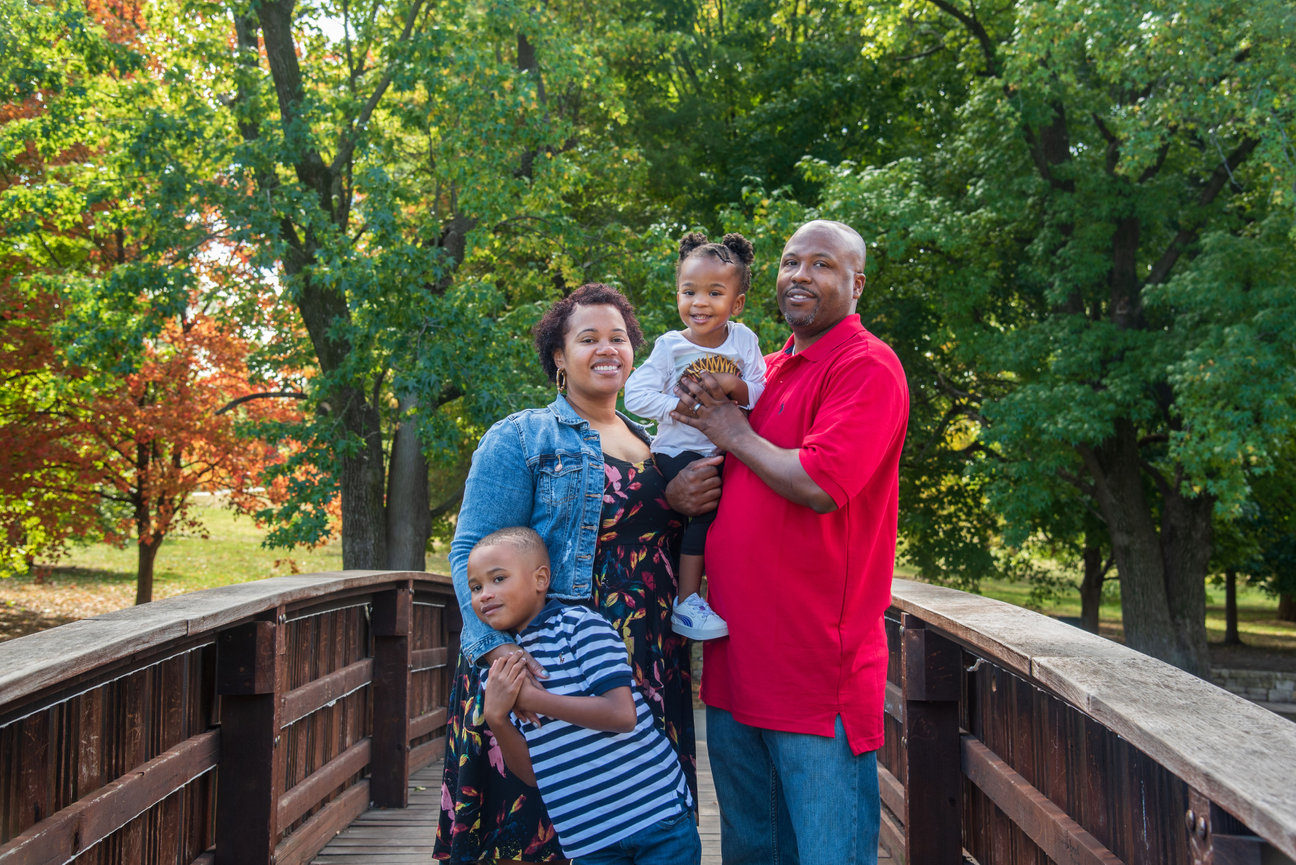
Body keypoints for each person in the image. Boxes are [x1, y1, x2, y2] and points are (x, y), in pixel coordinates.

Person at [670, 219, 909, 865]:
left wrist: (731, 430)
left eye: (823, 265)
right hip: (735, 670)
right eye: (790, 261)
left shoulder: (867, 366)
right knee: (752, 854)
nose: (801, 274)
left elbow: (819, 483)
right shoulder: (764, 371)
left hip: (814, 681)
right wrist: (680, 490)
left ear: (857, 284)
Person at [435, 283, 695, 864]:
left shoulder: (655, 443)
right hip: (550, 664)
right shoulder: (523, 437)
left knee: (647, 823)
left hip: (644, 661)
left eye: (619, 338)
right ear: (558, 355)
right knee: (544, 829)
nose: (608, 349)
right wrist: (499, 657)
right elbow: (471, 553)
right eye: (588, 338)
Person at [468, 526, 701, 865]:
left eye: (498, 579)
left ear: (540, 579)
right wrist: (497, 718)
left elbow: (622, 715)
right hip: (589, 839)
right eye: (476, 587)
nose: (485, 594)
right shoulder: (501, 670)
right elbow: (534, 775)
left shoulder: (579, 626)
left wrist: (533, 700)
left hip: (655, 817)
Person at [624, 231, 766, 642]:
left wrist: (733, 385)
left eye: (714, 292)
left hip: (726, 449)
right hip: (679, 450)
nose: (699, 302)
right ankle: (687, 602)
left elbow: (760, 391)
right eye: (689, 292)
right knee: (703, 514)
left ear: (736, 303)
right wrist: (677, 407)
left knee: (735, 516)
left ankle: (726, 594)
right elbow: (635, 394)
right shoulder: (670, 346)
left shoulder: (744, 341)